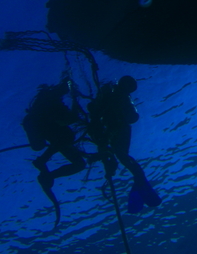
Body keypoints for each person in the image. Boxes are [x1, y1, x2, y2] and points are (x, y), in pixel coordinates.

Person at [87, 75, 161, 213]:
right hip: (114, 129)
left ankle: (137, 176)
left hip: (119, 129)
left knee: (121, 155)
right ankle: (136, 176)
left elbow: (132, 116)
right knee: (119, 155)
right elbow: (95, 110)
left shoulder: (119, 96)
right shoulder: (113, 94)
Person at [21, 77, 97, 207]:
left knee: (78, 163)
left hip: (52, 134)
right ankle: (44, 165)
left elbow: (68, 120)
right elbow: (70, 119)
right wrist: (74, 102)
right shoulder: (50, 102)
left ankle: (48, 174)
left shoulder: (53, 102)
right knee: (58, 141)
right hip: (46, 131)